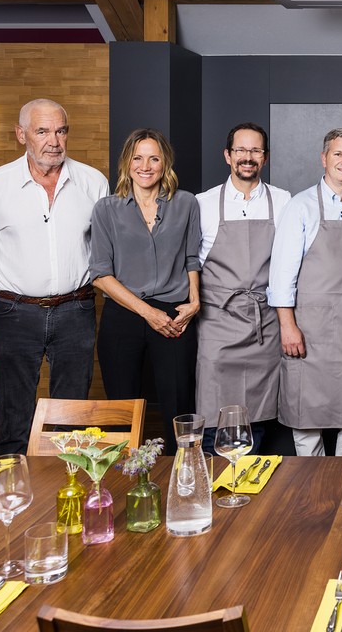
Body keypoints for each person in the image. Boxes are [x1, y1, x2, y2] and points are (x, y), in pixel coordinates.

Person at [0, 99, 108, 455]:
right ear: (21, 135)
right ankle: (12, 505)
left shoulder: (93, 184)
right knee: (14, 421)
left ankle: (69, 499)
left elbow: (102, 253)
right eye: (42, 131)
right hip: (14, 313)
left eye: (61, 130)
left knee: (71, 422)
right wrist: (16, 294)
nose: (54, 141)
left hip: (75, 312)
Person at [89, 128, 202, 454]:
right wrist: (147, 312)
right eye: (138, 157)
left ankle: (183, 480)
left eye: (154, 157)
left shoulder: (186, 204)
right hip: (123, 317)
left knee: (178, 406)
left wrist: (194, 300)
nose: (146, 165)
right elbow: (100, 274)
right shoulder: (106, 209)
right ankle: (122, 483)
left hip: (174, 317)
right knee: (124, 408)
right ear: (127, 162)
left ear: (165, 162)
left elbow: (191, 257)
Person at [268, 128, 342, 456]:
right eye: (338, 154)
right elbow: (281, 274)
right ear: (324, 158)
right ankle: (310, 499)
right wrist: (288, 326)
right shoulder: (300, 206)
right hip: (309, 327)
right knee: (306, 418)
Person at [195, 123, 291, 454]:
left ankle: (252, 495)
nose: (247, 158)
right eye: (241, 151)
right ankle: (214, 495)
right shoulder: (203, 203)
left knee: (260, 417)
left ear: (265, 158)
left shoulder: (283, 202)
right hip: (218, 324)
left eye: (255, 151)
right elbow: (189, 265)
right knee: (214, 415)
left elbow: (290, 263)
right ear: (228, 155)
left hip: (264, 323)